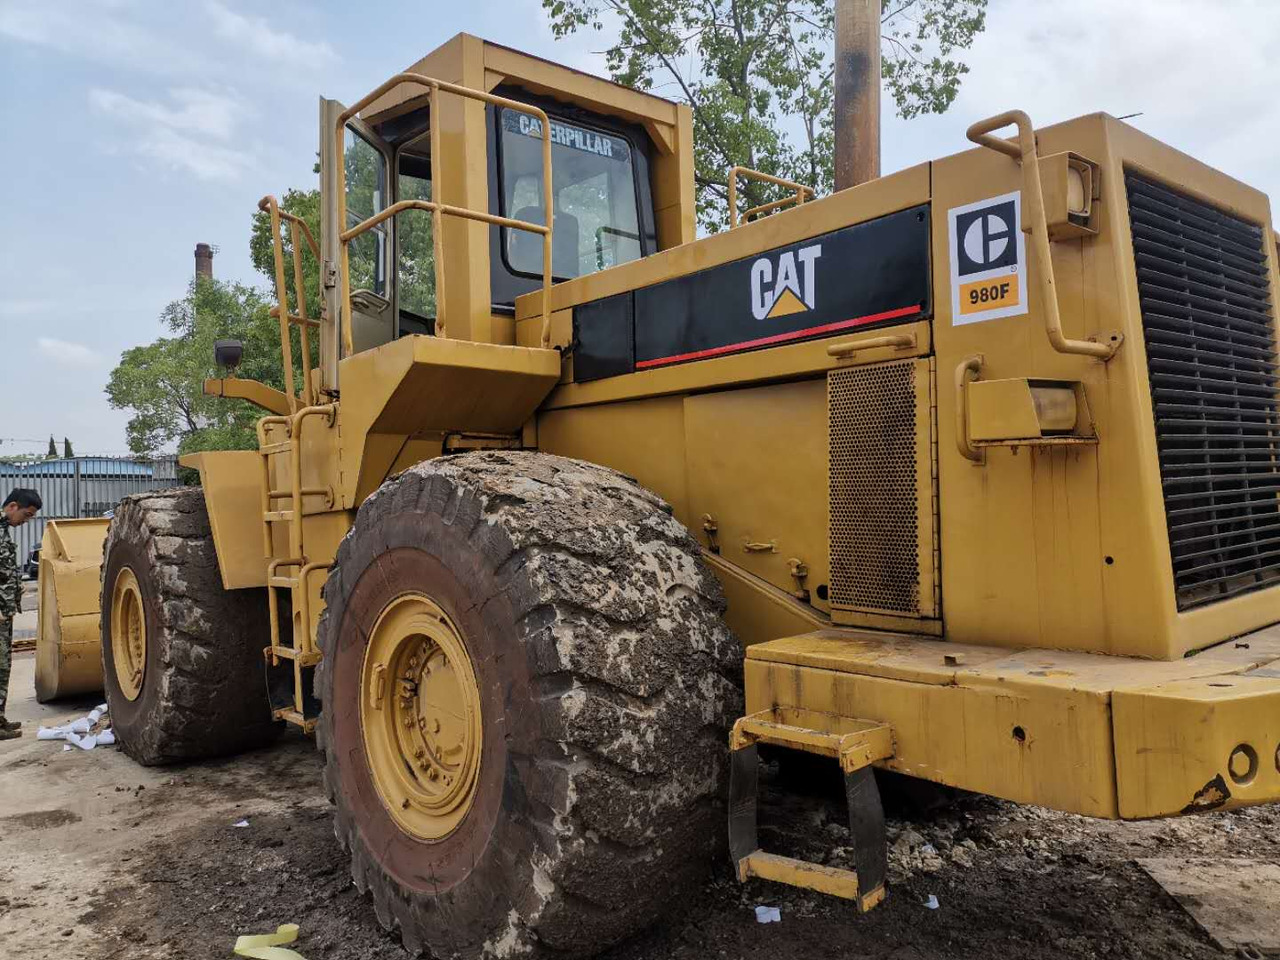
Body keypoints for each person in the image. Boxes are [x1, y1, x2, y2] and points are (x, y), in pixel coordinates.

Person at [0, 488, 42, 740]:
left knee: (4, 666)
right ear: (12, 506)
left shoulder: (3, 530)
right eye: (26, 514)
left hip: (5, 613)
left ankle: (0, 719)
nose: (26, 520)